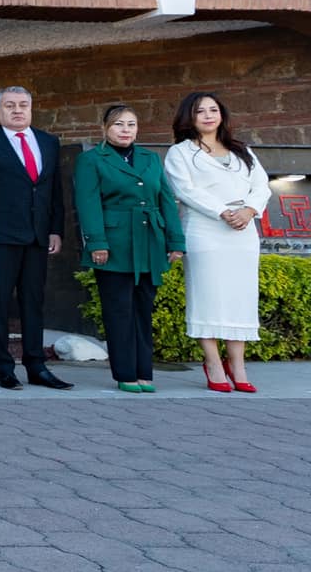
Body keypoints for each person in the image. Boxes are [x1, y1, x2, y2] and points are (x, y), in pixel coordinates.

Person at [0, 86, 72, 390]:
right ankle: (3, 368)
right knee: (0, 302)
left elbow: (54, 191)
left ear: (31, 108)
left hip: (38, 235)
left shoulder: (48, 142)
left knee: (34, 302)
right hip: (0, 236)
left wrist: (56, 229)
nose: (17, 110)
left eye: (23, 105)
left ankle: (36, 366)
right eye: (10, 105)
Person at [162, 91, 268, 394]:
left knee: (241, 298)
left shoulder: (241, 150)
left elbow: (261, 185)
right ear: (189, 117)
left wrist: (248, 210)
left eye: (213, 109)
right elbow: (185, 190)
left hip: (244, 231)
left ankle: (238, 366)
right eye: (200, 111)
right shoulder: (180, 153)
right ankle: (213, 364)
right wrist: (223, 211)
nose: (208, 115)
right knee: (207, 296)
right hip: (205, 229)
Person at [74, 103, 184, 394]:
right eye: (119, 124)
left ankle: (144, 371)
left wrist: (176, 241)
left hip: (150, 242)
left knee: (143, 309)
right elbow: (88, 203)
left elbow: (166, 200)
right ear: (105, 128)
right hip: (114, 244)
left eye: (131, 124)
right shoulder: (92, 160)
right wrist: (96, 242)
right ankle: (125, 373)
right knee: (119, 309)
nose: (126, 130)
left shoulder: (150, 158)